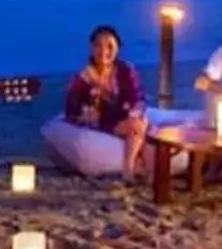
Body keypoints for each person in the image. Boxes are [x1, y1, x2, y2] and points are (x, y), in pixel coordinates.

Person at [42, 24, 150, 178]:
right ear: (92, 49)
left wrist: (134, 112)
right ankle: (130, 167)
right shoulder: (84, 77)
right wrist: (84, 114)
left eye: (109, 46)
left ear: (118, 48)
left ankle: (132, 168)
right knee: (138, 126)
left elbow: (138, 97)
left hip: (127, 117)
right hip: (105, 122)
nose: (104, 51)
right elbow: (71, 107)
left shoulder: (126, 70)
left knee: (139, 123)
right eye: (98, 46)